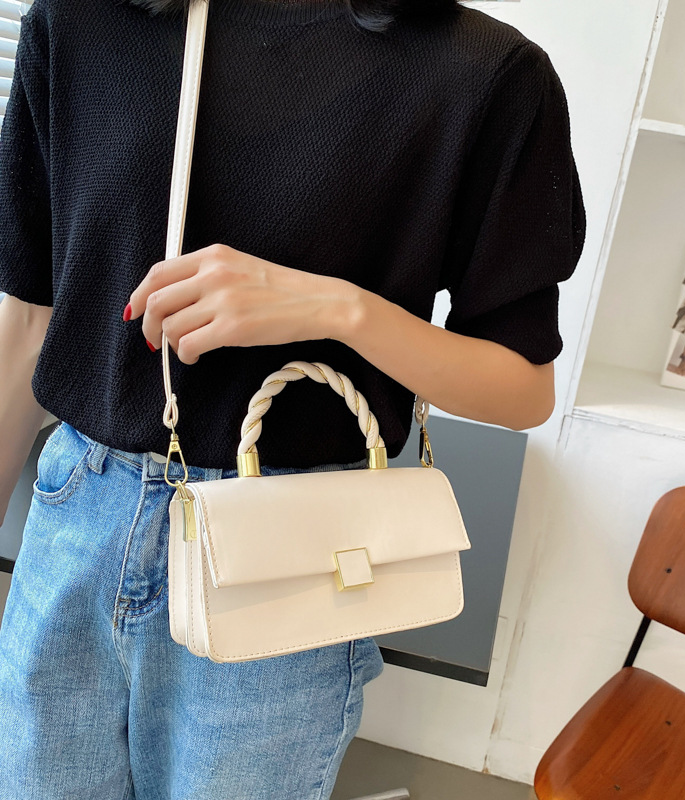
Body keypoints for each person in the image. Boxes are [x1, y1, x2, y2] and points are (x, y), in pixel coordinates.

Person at [0, 0, 586, 797]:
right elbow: (28, 318)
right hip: (76, 516)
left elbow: (522, 388)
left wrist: (338, 309)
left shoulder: (481, 71)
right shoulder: (82, 19)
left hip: (286, 548)